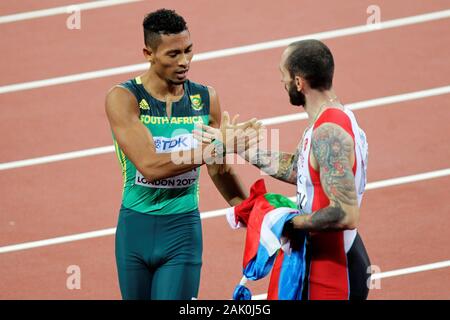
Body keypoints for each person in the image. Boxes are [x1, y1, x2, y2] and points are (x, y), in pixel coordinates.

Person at [197, 39, 371, 300]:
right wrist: (242, 149)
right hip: (323, 258)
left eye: (284, 76)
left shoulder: (328, 132)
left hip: (336, 268)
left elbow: (345, 214)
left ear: (299, 82)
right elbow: (299, 169)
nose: (283, 83)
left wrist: (289, 224)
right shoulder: (329, 120)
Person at [104, 8, 250, 300]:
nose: (184, 61)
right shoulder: (124, 98)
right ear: (149, 53)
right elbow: (150, 166)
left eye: (188, 50)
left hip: (182, 230)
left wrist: (249, 210)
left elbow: (217, 168)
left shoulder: (206, 98)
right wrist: (217, 146)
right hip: (134, 230)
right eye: (173, 54)